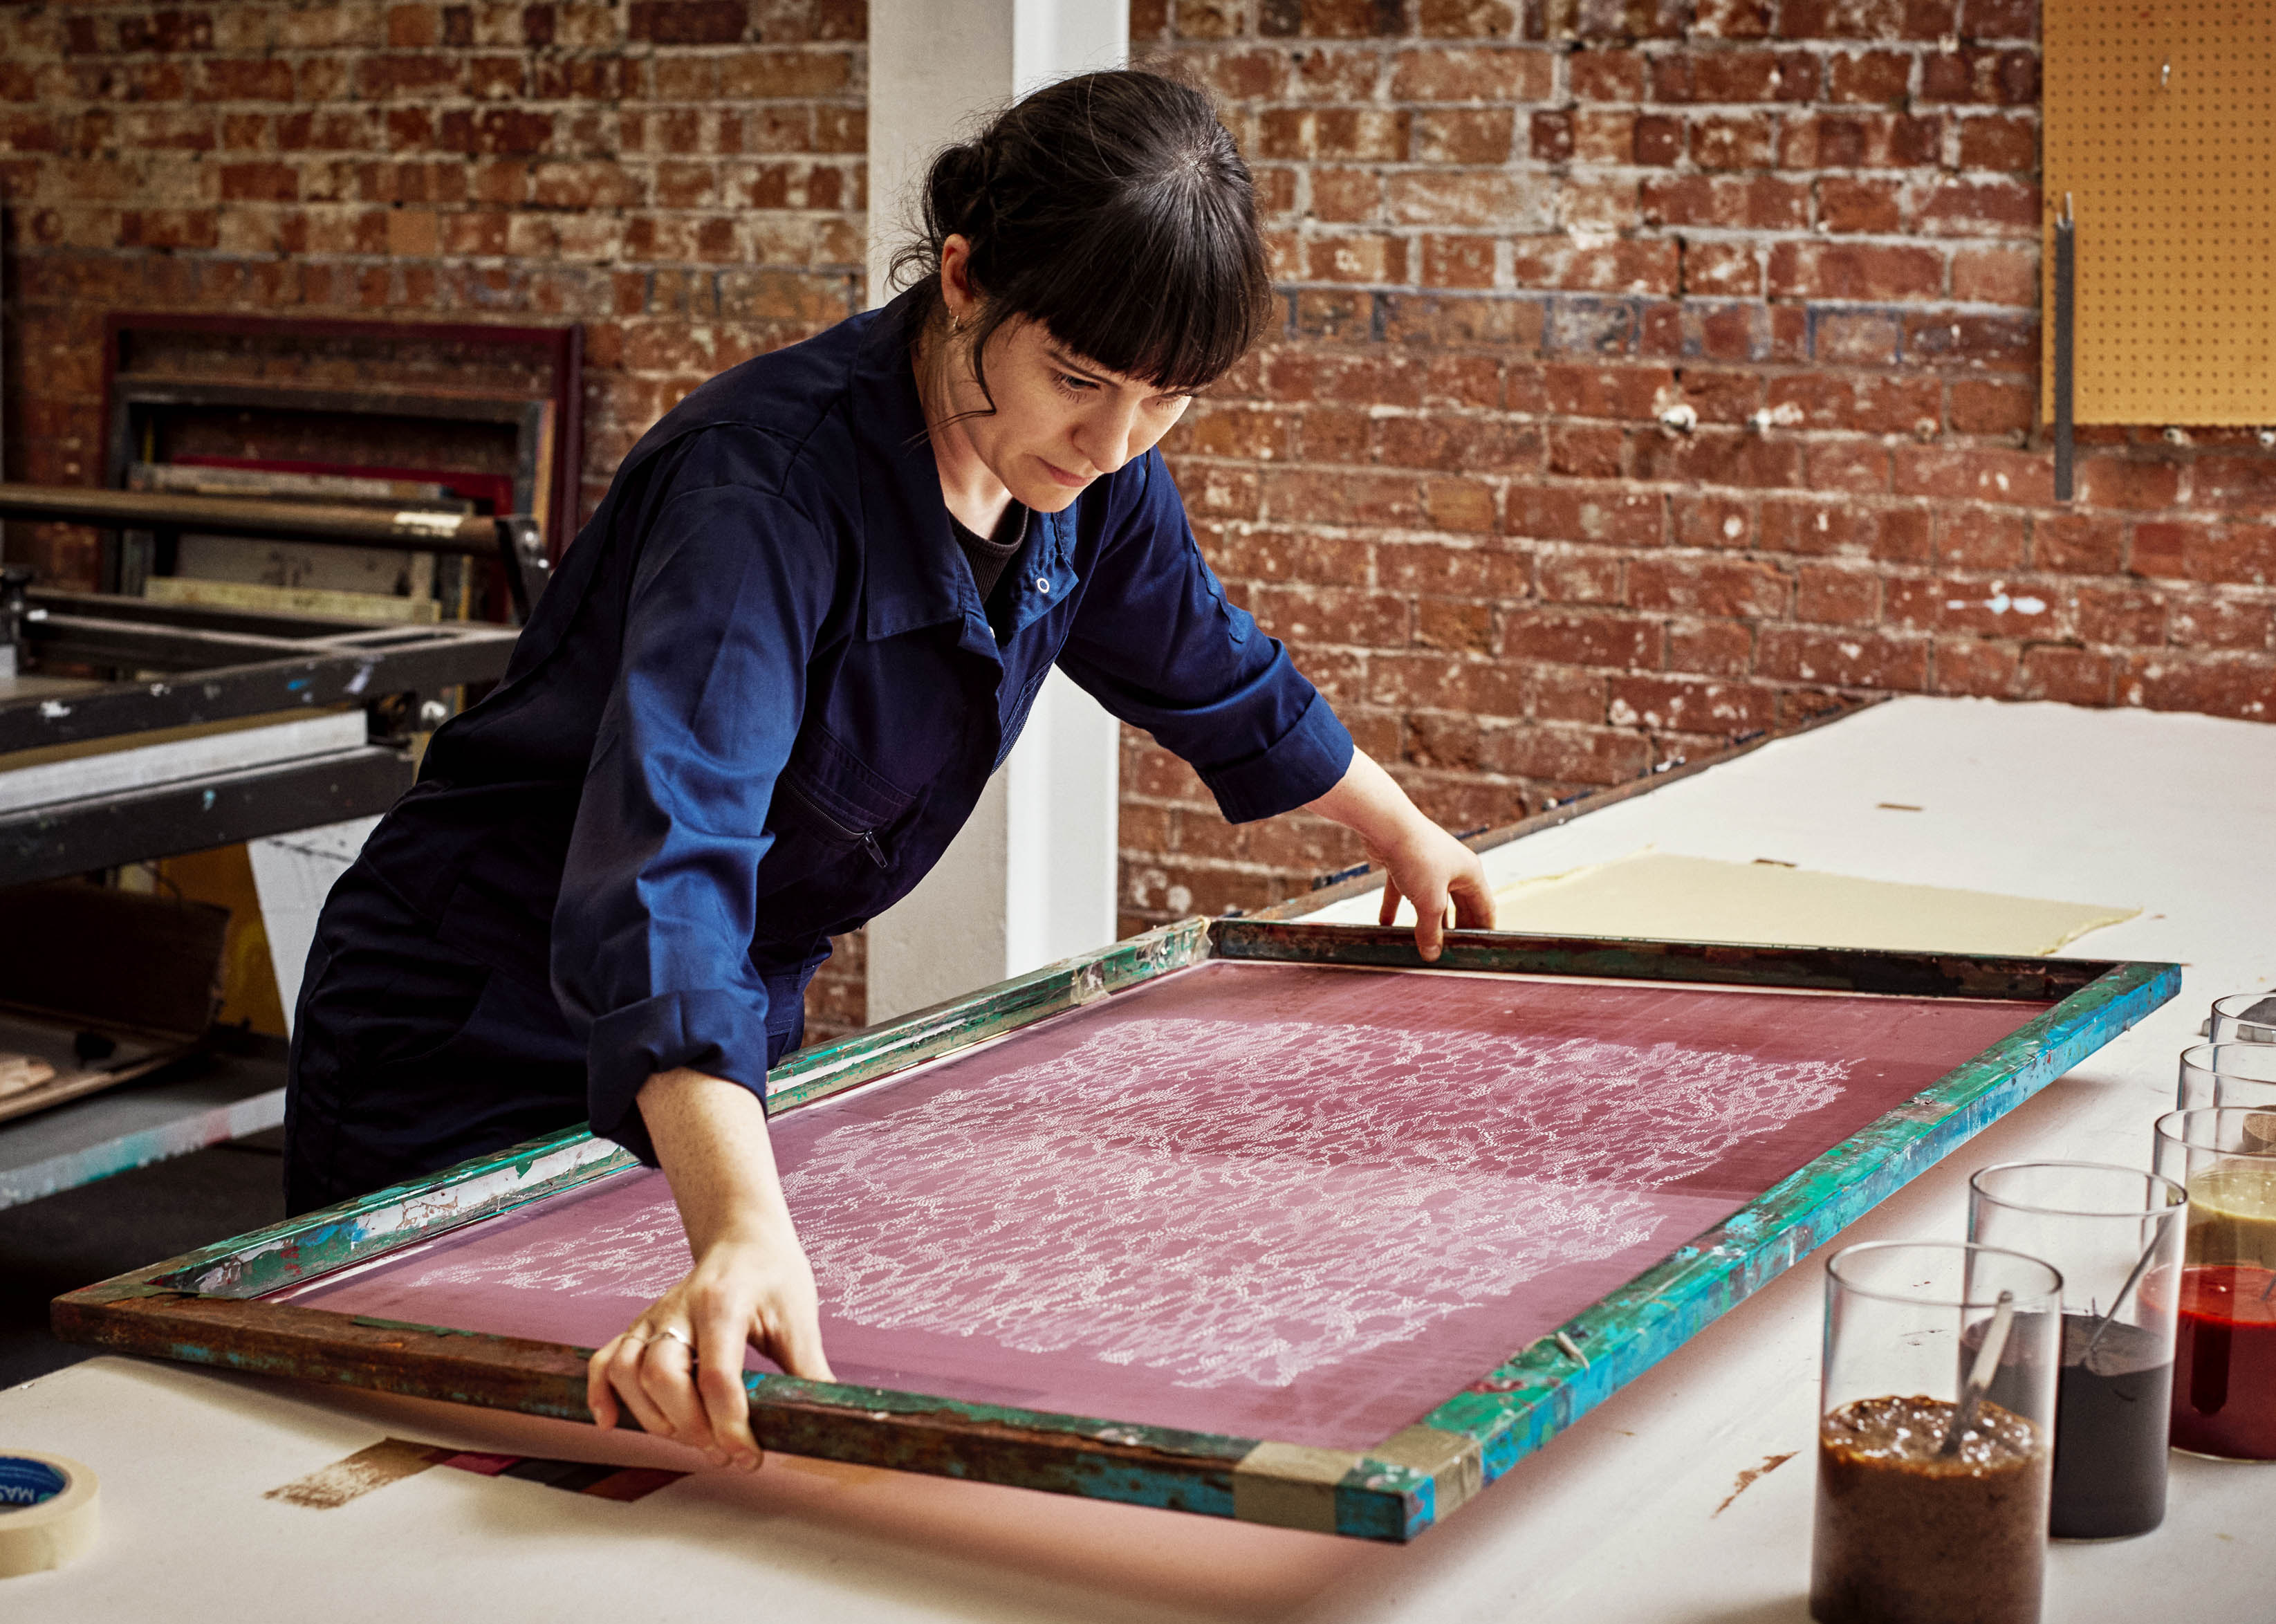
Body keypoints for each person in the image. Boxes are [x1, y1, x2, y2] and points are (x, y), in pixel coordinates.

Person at [284, 69, 1493, 1476]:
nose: (1111, 444)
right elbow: (669, 865)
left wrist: (1403, 833)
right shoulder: (764, 490)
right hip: (478, 1027)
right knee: (445, 1475)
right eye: (1079, 381)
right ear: (964, 279)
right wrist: (742, 1223)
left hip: (716, 1052)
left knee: (689, 1455)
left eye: (1165, 401)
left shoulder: (1084, 475)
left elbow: (1206, 660)